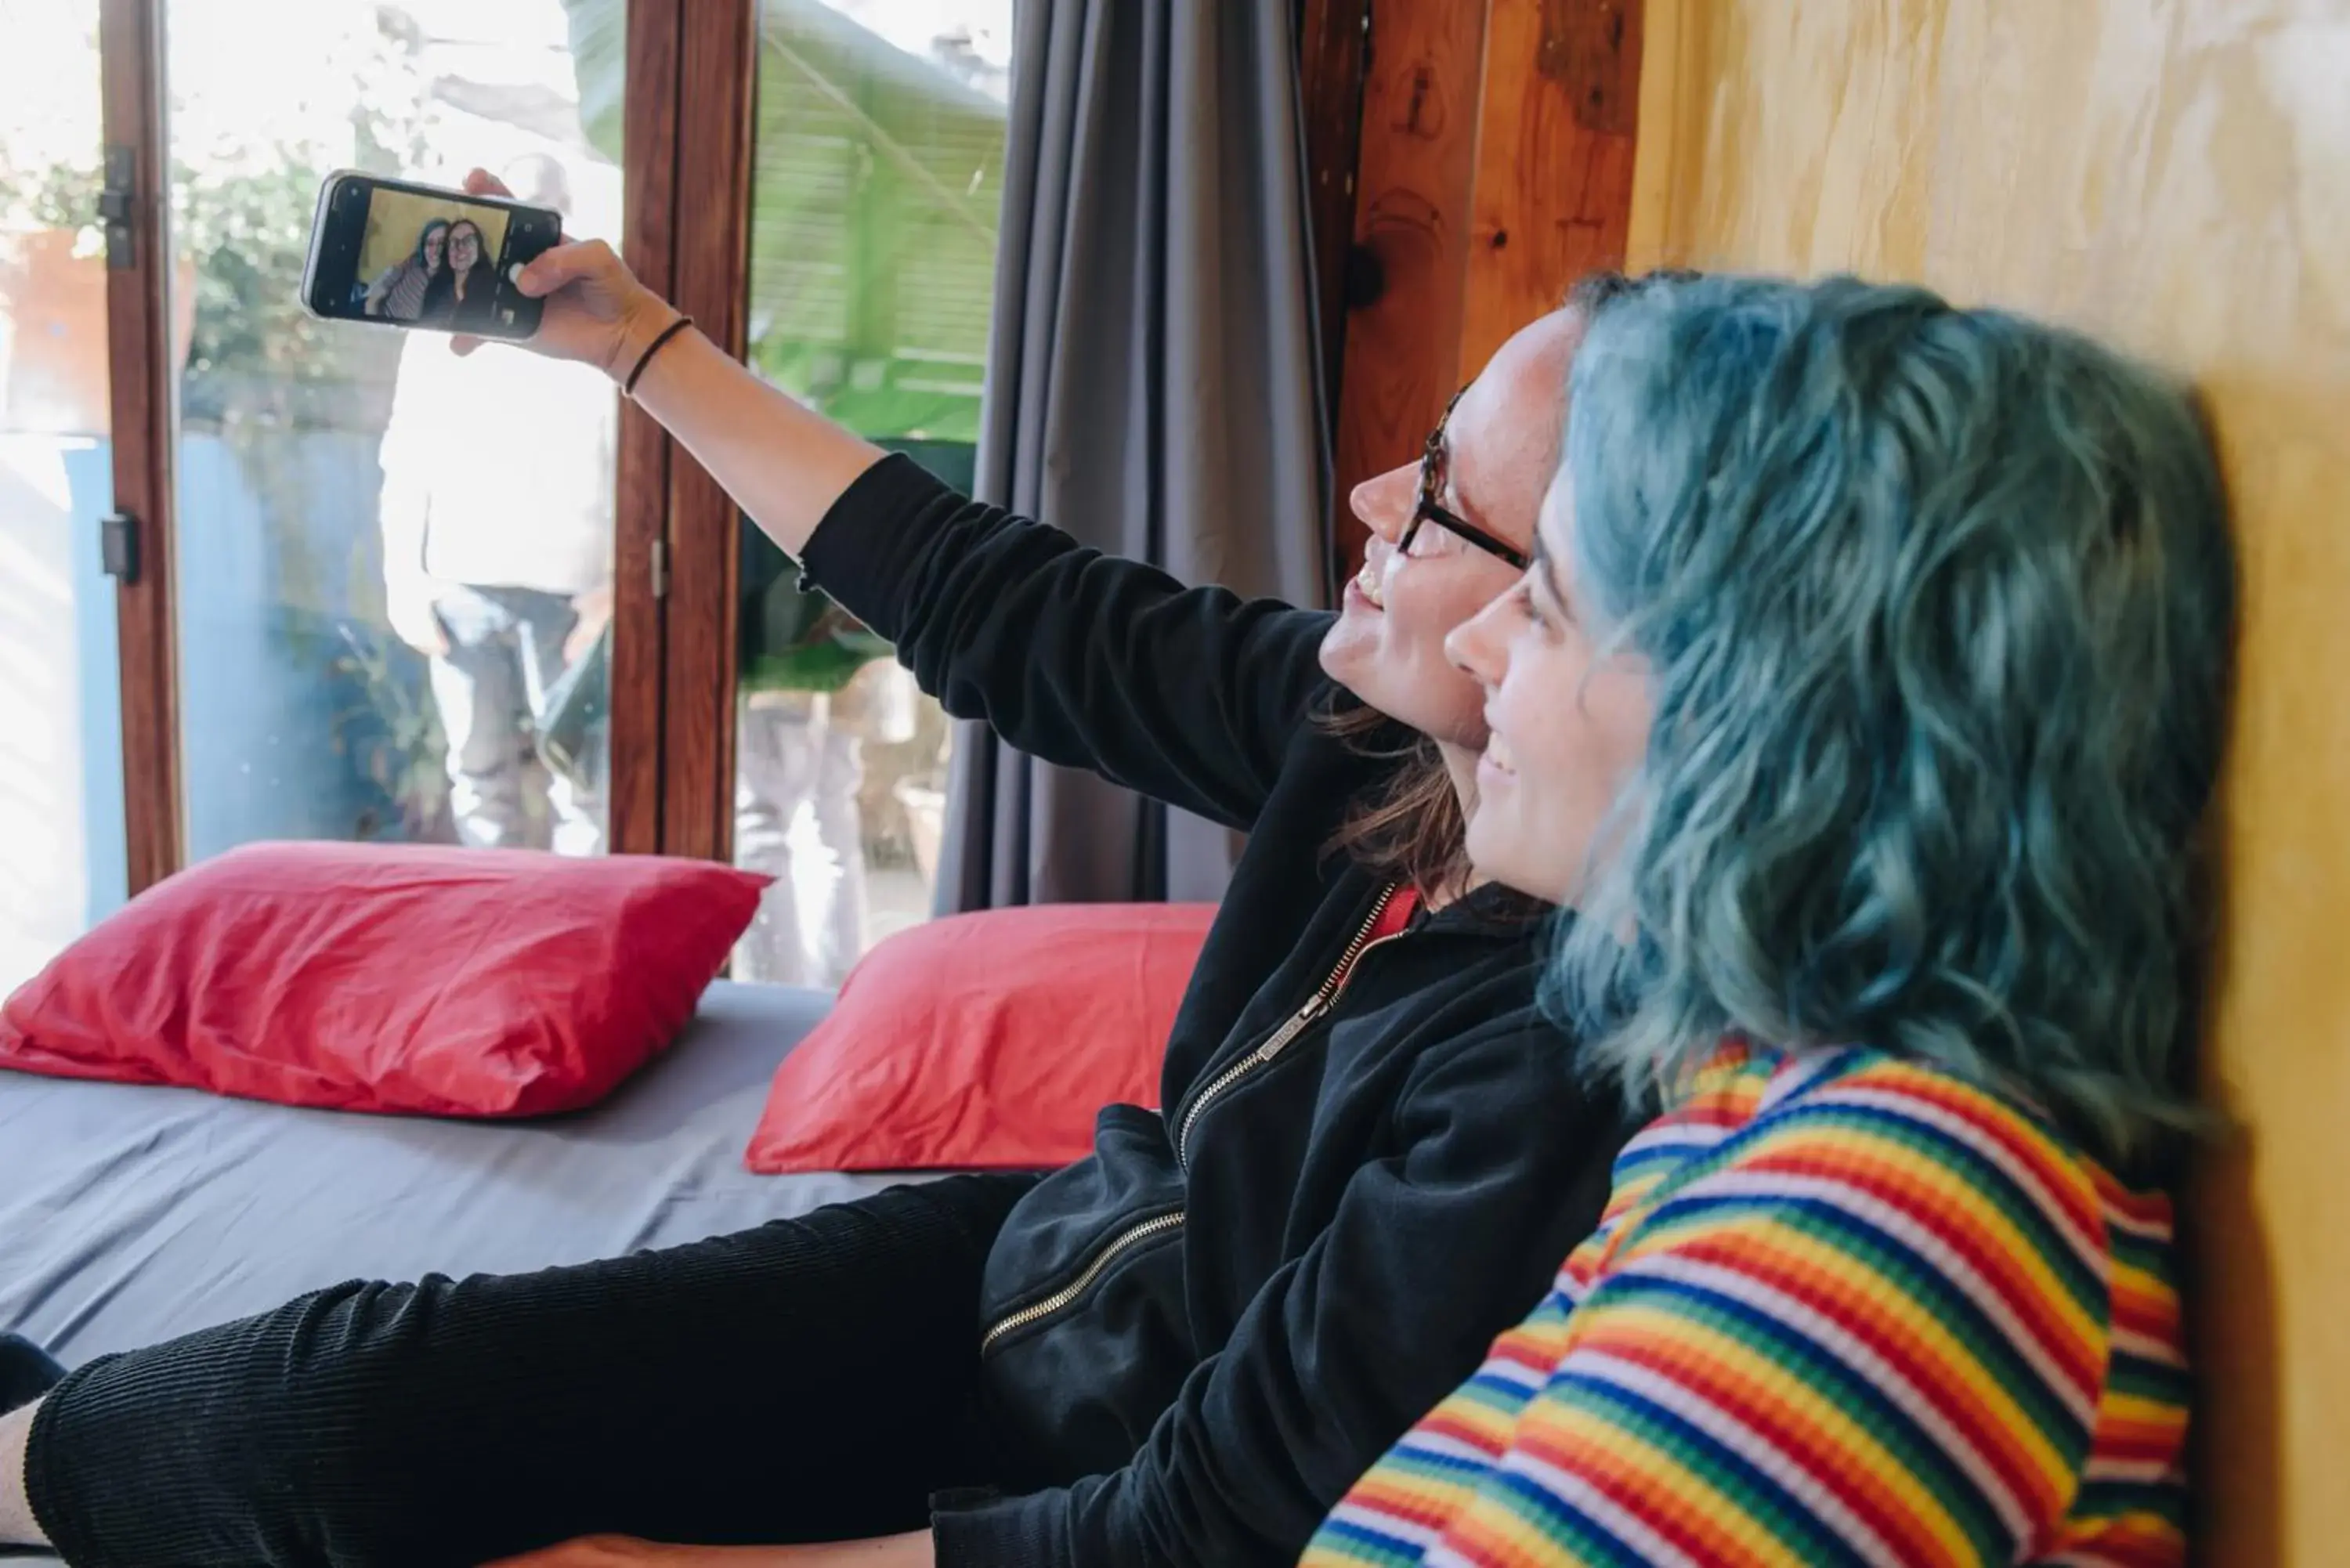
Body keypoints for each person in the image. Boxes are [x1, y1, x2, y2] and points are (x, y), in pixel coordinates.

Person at [0, 178, 1647, 1568]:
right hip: (1020, 1267)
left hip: (1076, 1458)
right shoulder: (1370, 735)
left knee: (351, 1432)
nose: (1373, 498)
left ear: (1586, 620)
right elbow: (1000, 607)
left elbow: (1204, 1516)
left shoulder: (1555, 1059)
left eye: (1441, 501)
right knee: (375, 1378)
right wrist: (639, 344)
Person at [1301, 275, 2232, 1565]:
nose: (1478, 646)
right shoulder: (1763, 1119)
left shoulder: (1896, 1223)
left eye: (1554, 600)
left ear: (1774, 713)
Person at [376, 157, 616, 856]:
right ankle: (499, 946)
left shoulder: (587, 322)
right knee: (480, 782)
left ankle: (581, 947)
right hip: (462, 584)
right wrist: (404, 581)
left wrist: (614, 591)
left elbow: (630, 459)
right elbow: (405, 454)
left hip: (571, 592)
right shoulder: (438, 324)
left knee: (581, 785)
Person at [418, 216, 501, 331]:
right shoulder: (435, 290)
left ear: (479, 248)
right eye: (454, 242)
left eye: (468, 241)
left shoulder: (494, 288)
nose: (460, 247)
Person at [363, 217, 449, 323]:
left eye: (442, 244)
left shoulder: (447, 288)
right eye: (430, 244)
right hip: (371, 314)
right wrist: (372, 321)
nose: (435, 251)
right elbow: (374, 297)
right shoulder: (415, 262)